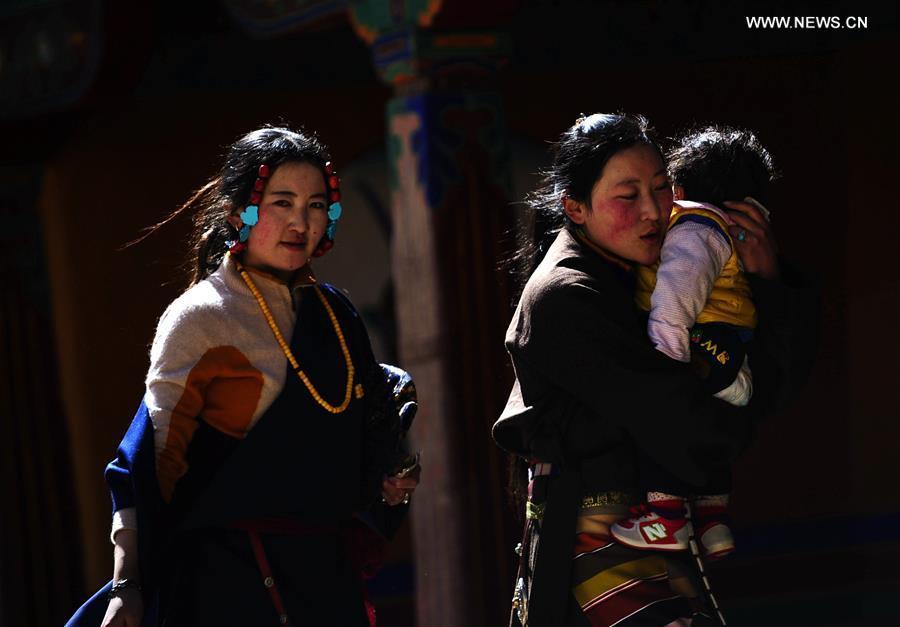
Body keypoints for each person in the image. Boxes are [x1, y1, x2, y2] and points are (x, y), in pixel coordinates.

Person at [66, 126, 420, 627]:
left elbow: (356, 449)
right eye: (282, 202)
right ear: (239, 213)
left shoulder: (337, 315)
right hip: (227, 585)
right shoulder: (201, 318)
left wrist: (389, 474)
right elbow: (146, 467)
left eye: (316, 204)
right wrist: (128, 582)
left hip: (325, 582)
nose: (301, 221)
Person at [493, 113, 817, 626]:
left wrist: (766, 280)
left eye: (663, 188)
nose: (653, 211)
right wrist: (734, 408)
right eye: (628, 196)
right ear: (574, 207)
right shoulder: (565, 297)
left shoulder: (656, 273)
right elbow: (684, 423)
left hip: (656, 537)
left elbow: (768, 390)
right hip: (598, 544)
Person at [610, 126, 779, 559]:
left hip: (701, 344)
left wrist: (662, 360)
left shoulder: (694, 228)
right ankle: (712, 519)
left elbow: (676, 296)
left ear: (680, 189)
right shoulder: (732, 235)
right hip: (731, 351)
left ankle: (666, 519)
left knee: (664, 421)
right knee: (709, 428)